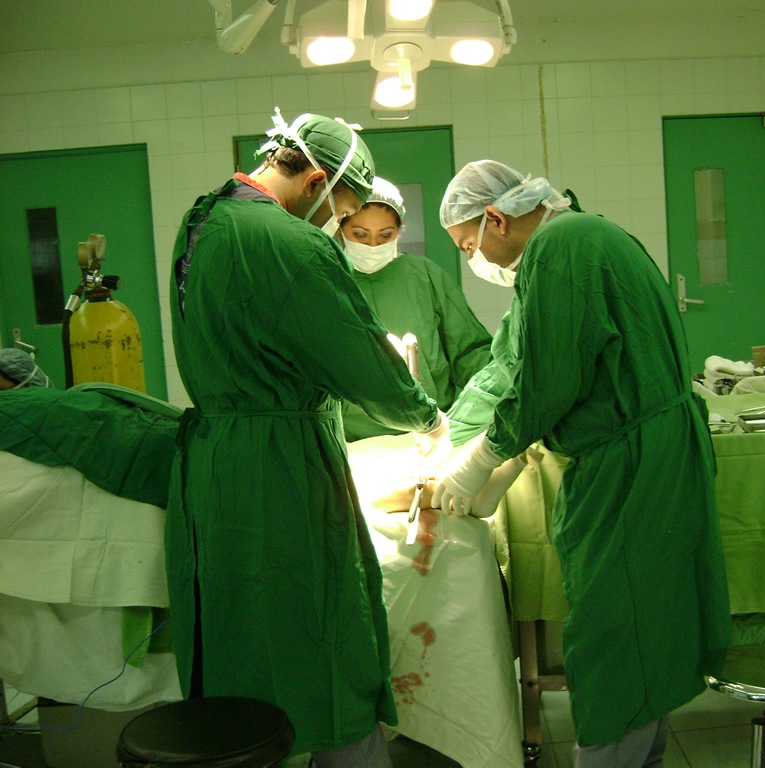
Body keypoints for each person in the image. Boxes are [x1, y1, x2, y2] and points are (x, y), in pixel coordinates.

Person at [167, 108, 448, 767]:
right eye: (343, 212)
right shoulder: (292, 244)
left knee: (242, 637)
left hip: (215, 467)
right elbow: (363, 364)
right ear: (318, 181)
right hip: (282, 470)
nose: (338, 226)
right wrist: (428, 418)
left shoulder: (202, 220)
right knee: (325, 639)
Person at [432, 161, 732, 767]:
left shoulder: (560, 249)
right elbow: (516, 362)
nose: (473, 258)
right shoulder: (590, 234)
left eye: (468, 245)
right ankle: (643, 753)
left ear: (495, 220)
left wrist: (480, 458)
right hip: (656, 452)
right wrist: (457, 433)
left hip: (629, 467)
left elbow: (545, 382)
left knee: (613, 629)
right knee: (651, 621)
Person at [337, 176, 492, 441]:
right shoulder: (329, 280)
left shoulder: (425, 276)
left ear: (400, 230)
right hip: (353, 439)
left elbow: (470, 353)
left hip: (428, 431)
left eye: (385, 235)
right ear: (340, 228)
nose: (373, 245)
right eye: (360, 234)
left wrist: (492, 409)